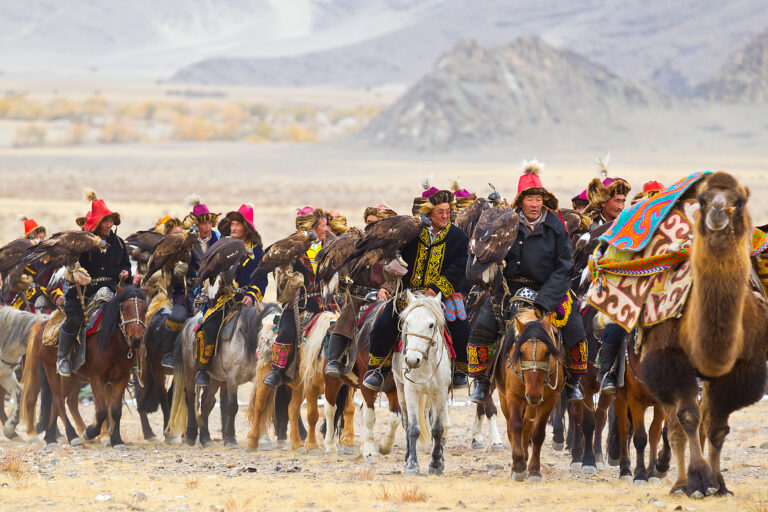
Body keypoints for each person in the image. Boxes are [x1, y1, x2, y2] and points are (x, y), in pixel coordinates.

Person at [467, 160, 587, 404]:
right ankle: (481, 381)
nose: (535, 204)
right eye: (530, 199)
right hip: (509, 290)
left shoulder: (556, 226)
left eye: (539, 199)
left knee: (576, 330)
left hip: (550, 290)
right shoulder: (506, 224)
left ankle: (573, 382)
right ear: (520, 200)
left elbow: (564, 266)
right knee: (481, 329)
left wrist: (546, 300)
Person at [362, 181, 470, 391]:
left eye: (448, 211)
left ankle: (460, 371)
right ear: (430, 213)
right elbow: (395, 253)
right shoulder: (412, 233)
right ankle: (378, 370)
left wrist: (437, 288)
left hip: (442, 295)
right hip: (409, 293)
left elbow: (460, 265)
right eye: (440, 212)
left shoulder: (458, 237)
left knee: (460, 326)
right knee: (384, 322)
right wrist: (395, 265)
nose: (446, 216)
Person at [57, 193, 140, 376]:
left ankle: (133, 359)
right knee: (75, 319)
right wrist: (76, 271)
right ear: (96, 223)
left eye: (111, 221)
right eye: (105, 222)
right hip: (84, 291)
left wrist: (126, 273)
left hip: (111, 289)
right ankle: (63, 357)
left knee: (134, 317)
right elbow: (69, 264)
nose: (109, 225)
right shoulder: (82, 242)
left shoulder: (118, 242)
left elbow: (125, 264)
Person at [194, 204, 267, 387]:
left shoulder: (257, 250)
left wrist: (252, 294)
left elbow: (262, 279)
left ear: (246, 227)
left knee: (268, 328)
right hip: (222, 299)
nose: (233, 228)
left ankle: (265, 366)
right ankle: (202, 368)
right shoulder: (223, 245)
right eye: (232, 224)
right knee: (209, 327)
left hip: (248, 301)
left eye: (238, 224)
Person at [324, 204, 399, 378]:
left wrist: (385, 287)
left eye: (376, 222)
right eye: (369, 222)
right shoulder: (357, 244)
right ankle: (334, 360)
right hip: (357, 295)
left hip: (385, 297)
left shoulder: (394, 248)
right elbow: (345, 267)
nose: (371, 226)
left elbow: (398, 274)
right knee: (347, 315)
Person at [263, 206, 329, 387]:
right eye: (322, 226)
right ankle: (278, 370)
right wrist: (291, 279)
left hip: (326, 303)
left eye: (326, 225)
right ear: (312, 227)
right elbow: (280, 273)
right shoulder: (292, 246)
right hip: (300, 303)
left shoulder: (330, 245)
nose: (326, 229)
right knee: (286, 330)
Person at [584, 157, 631, 229]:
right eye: (617, 201)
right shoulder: (586, 226)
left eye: (623, 201)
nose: (621, 207)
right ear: (603, 202)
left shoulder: (628, 225)